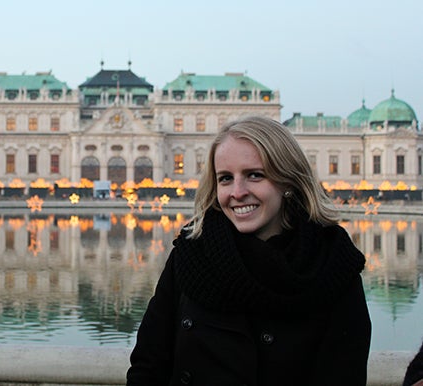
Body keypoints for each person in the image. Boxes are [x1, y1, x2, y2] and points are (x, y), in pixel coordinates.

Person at [127, 115, 371, 385]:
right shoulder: (191, 253)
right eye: (225, 178)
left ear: (288, 180)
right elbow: (147, 366)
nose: (237, 191)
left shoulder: (332, 265)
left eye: (255, 175)